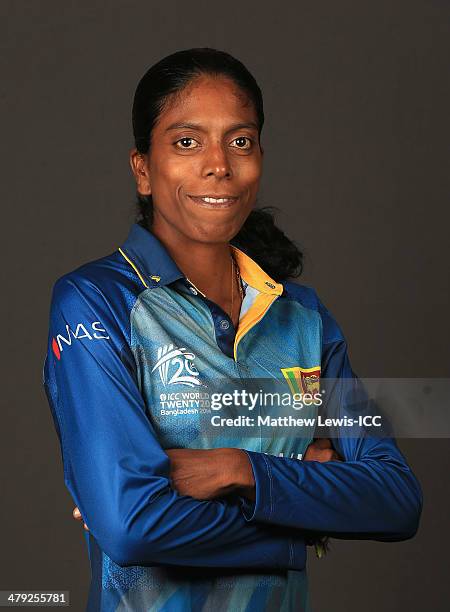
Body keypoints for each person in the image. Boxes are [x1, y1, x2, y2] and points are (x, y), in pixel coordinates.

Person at [43, 48, 422, 612]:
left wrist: (240, 470)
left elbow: (395, 498)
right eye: (187, 142)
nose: (218, 164)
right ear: (143, 169)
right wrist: (301, 522)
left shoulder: (305, 318)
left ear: (260, 156)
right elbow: (132, 526)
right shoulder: (95, 302)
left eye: (239, 141)